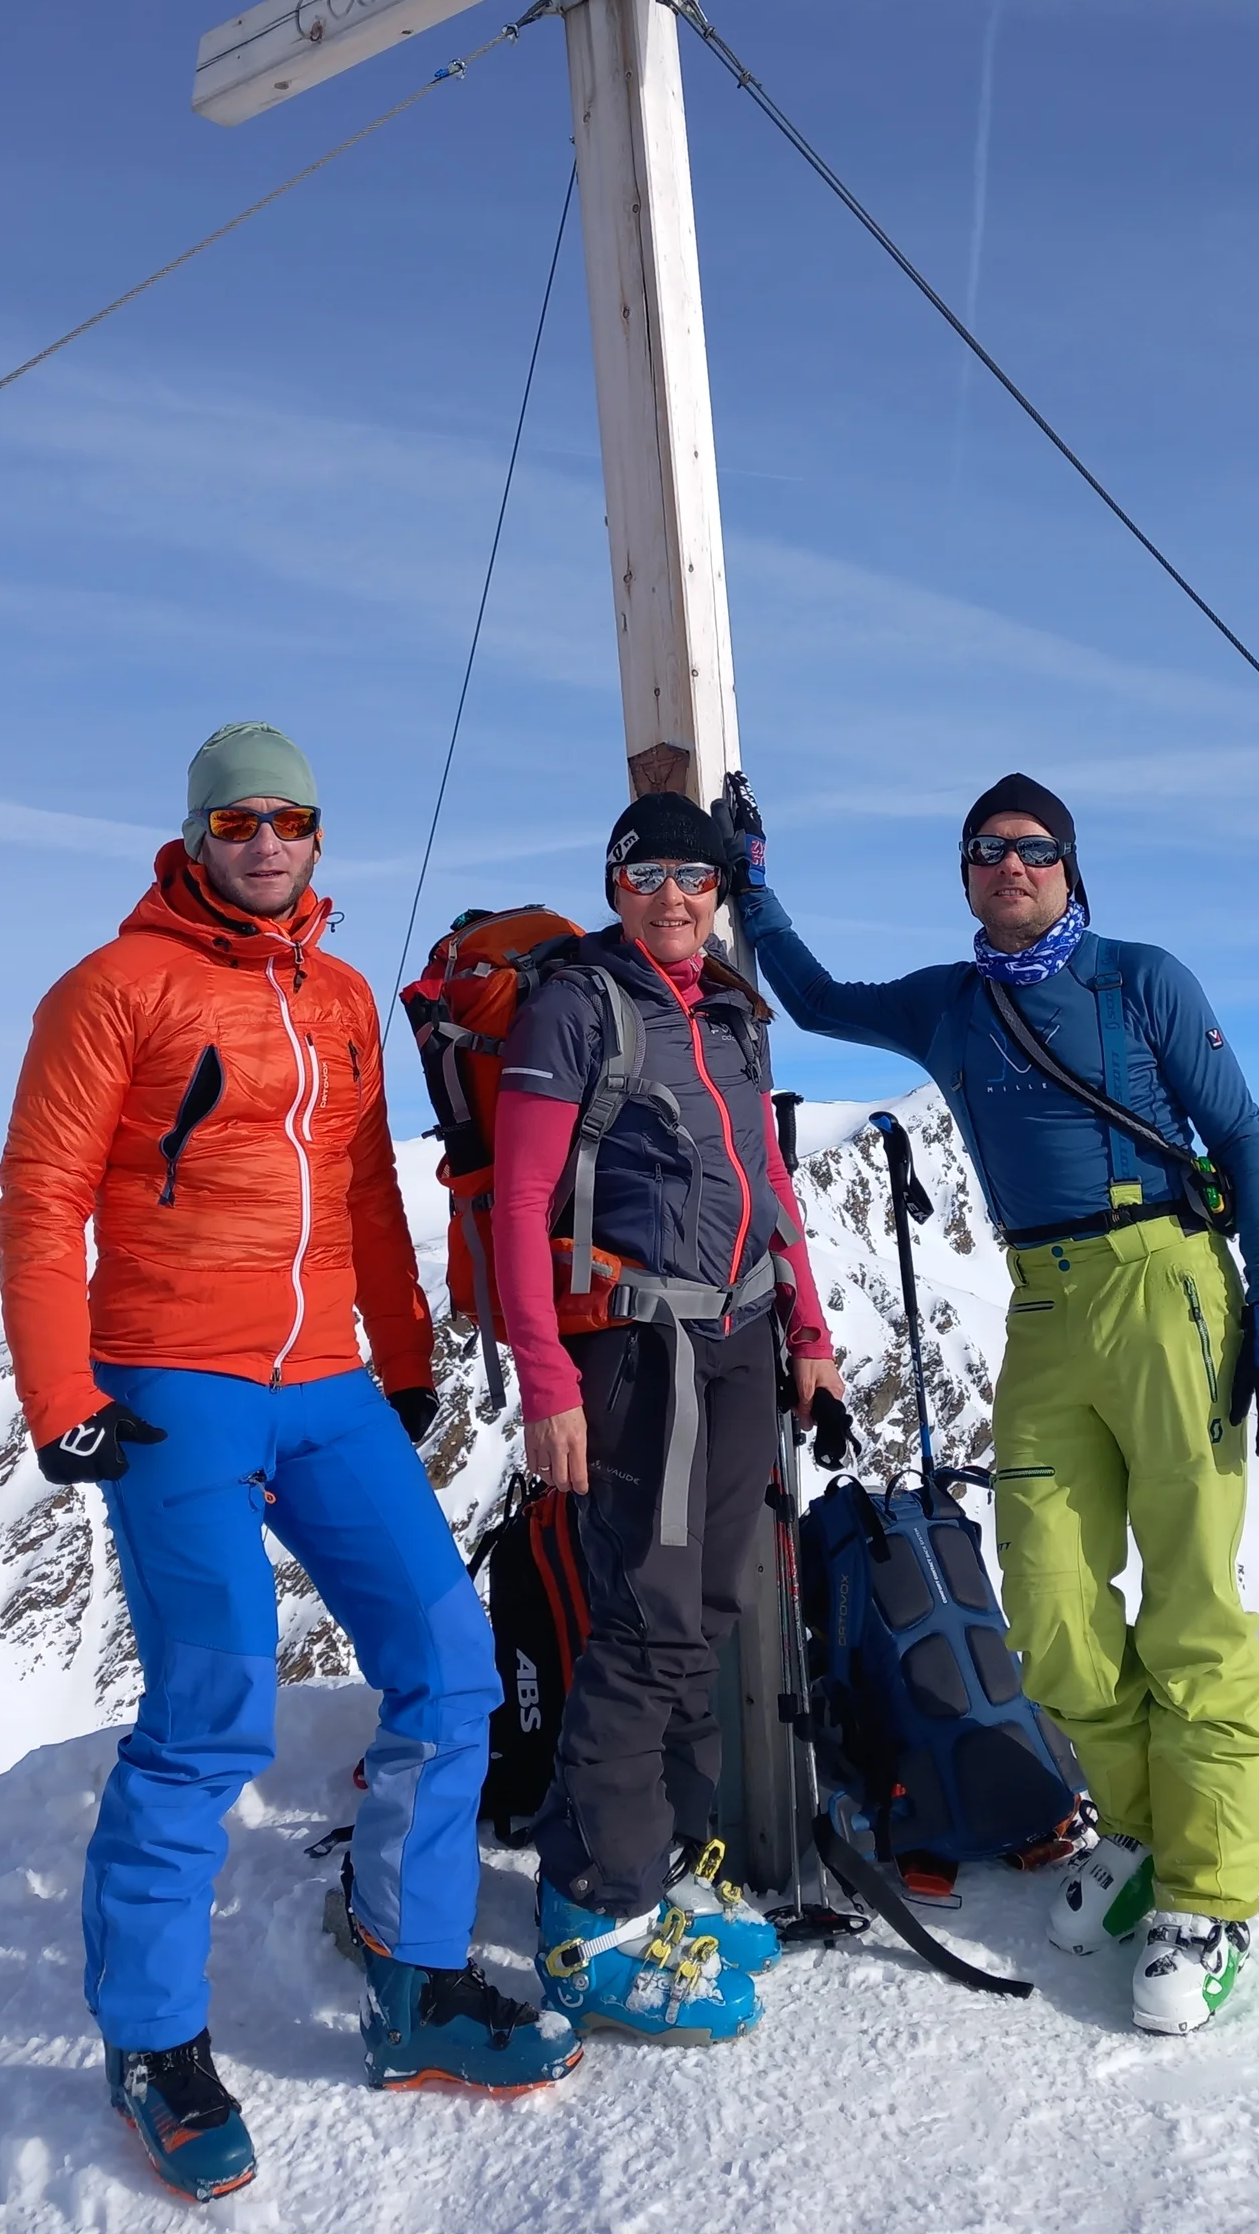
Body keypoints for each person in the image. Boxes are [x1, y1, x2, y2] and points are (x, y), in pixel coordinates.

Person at [0, 722, 579, 2204]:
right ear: (197, 836)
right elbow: (42, 1195)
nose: (266, 841)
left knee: (450, 1663)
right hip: (174, 1381)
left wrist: (397, 1354)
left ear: (319, 838)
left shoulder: (334, 997)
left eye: (291, 819)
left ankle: (412, 1968)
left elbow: (367, 1185)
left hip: (326, 1381)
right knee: (211, 1707)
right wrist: (60, 1392)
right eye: (239, 820)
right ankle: (152, 2040)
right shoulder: (113, 988)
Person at [725, 772, 1259, 2036]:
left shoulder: (1139, 978)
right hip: (1042, 1306)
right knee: (1047, 1602)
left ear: (1070, 865)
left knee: (1193, 1605)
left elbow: (1246, 1141)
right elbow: (819, 999)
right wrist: (755, 890)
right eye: (987, 849)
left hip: (1166, 1284)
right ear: (965, 873)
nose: (1011, 865)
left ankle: (1211, 1895)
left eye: (1034, 848)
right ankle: (1146, 1837)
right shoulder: (952, 1005)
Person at [491, 791, 844, 2042]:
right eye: (651, 875)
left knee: (707, 1611)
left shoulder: (733, 1011)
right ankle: (592, 1912)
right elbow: (521, 1202)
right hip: (641, 1352)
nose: (678, 896)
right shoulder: (579, 1005)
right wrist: (544, 1381)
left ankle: (673, 1861)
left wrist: (808, 1331)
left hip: (744, 1335)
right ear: (615, 882)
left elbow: (771, 1182)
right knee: (646, 1623)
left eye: (697, 876)